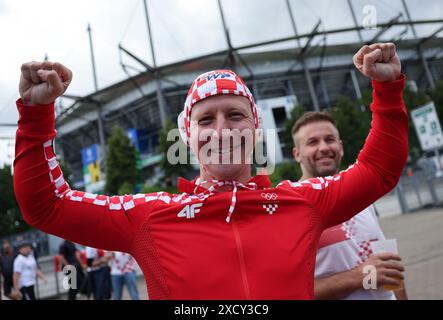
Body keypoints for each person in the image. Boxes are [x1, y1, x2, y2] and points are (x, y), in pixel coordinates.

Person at [13, 43, 408, 299]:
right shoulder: (150, 215)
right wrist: (35, 116)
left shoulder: (300, 203)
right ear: (188, 135)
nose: (221, 131)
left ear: (254, 129)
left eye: (235, 115)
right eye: (206, 120)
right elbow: (47, 205)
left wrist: (387, 91)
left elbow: (378, 169)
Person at [291, 111, 408, 300]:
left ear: (341, 147)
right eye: (312, 142)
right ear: (297, 154)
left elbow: (388, 266)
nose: (323, 147)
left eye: (329, 139)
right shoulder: (291, 206)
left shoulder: (360, 195)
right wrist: (359, 276)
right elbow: (289, 291)